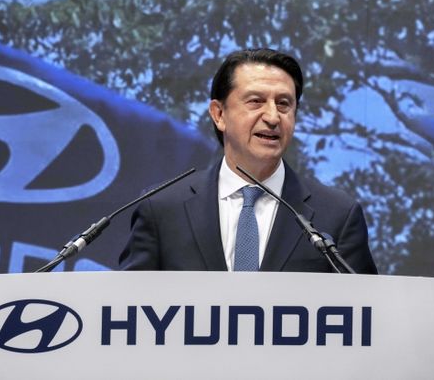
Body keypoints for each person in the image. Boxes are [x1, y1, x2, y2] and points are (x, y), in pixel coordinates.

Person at [119, 48, 377, 273]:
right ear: (219, 114)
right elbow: (129, 304)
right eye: (256, 101)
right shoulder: (162, 209)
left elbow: (363, 308)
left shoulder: (337, 216)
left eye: (284, 104)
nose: (273, 117)